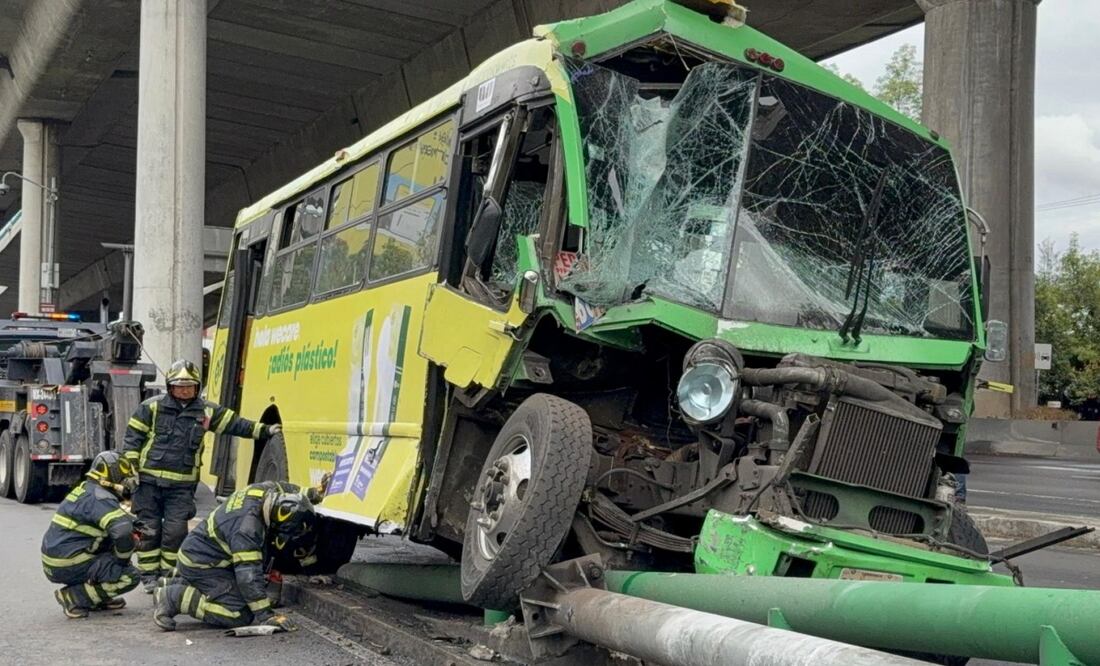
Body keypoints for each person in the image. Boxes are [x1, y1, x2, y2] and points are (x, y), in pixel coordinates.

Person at [122, 358, 280, 591]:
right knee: (149, 530)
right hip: (148, 483)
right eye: (179, 385)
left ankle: (168, 575)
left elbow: (236, 424)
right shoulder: (151, 408)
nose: (184, 390)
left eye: (189, 385)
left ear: (197, 387)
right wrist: (130, 470)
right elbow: (132, 440)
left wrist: (266, 430)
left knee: (175, 533)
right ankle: (148, 576)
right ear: (170, 386)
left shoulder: (207, 410)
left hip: (181, 486)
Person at [152, 480, 324, 632]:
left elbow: (286, 487)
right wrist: (266, 615)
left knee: (247, 593)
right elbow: (248, 577)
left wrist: (312, 494)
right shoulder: (247, 531)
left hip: (200, 554)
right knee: (239, 613)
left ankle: (178, 581)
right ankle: (173, 597)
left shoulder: (264, 490)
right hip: (203, 566)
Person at [42, 450, 140, 618]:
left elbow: (104, 524)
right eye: (124, 478)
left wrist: (132, 525)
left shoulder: (87, 490)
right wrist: (120, 561)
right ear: (114, 476)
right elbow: (122, 533)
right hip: (68, 562)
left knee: (109, 552)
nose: (126, 483)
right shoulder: (101, 498)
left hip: (58, 560)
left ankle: (97, 596)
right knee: (128, 575)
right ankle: (75, 598)